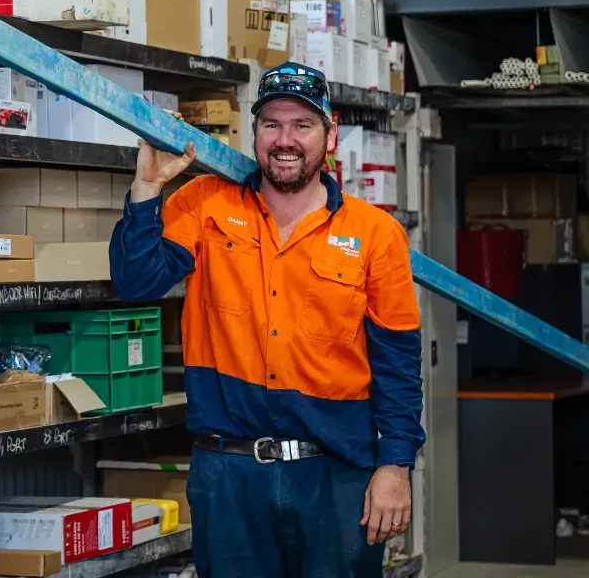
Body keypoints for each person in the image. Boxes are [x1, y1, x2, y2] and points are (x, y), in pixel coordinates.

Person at [109, 63, 425, 577]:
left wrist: (395, 466)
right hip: (230, 474)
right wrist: (146, 189)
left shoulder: (376, 234)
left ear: (330, 135)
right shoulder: (206, 204)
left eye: (303, 125)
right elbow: (136, 282)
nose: (286, 140)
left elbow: (398, 364)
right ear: (252, 132)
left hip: (337, 475)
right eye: (271, 125)